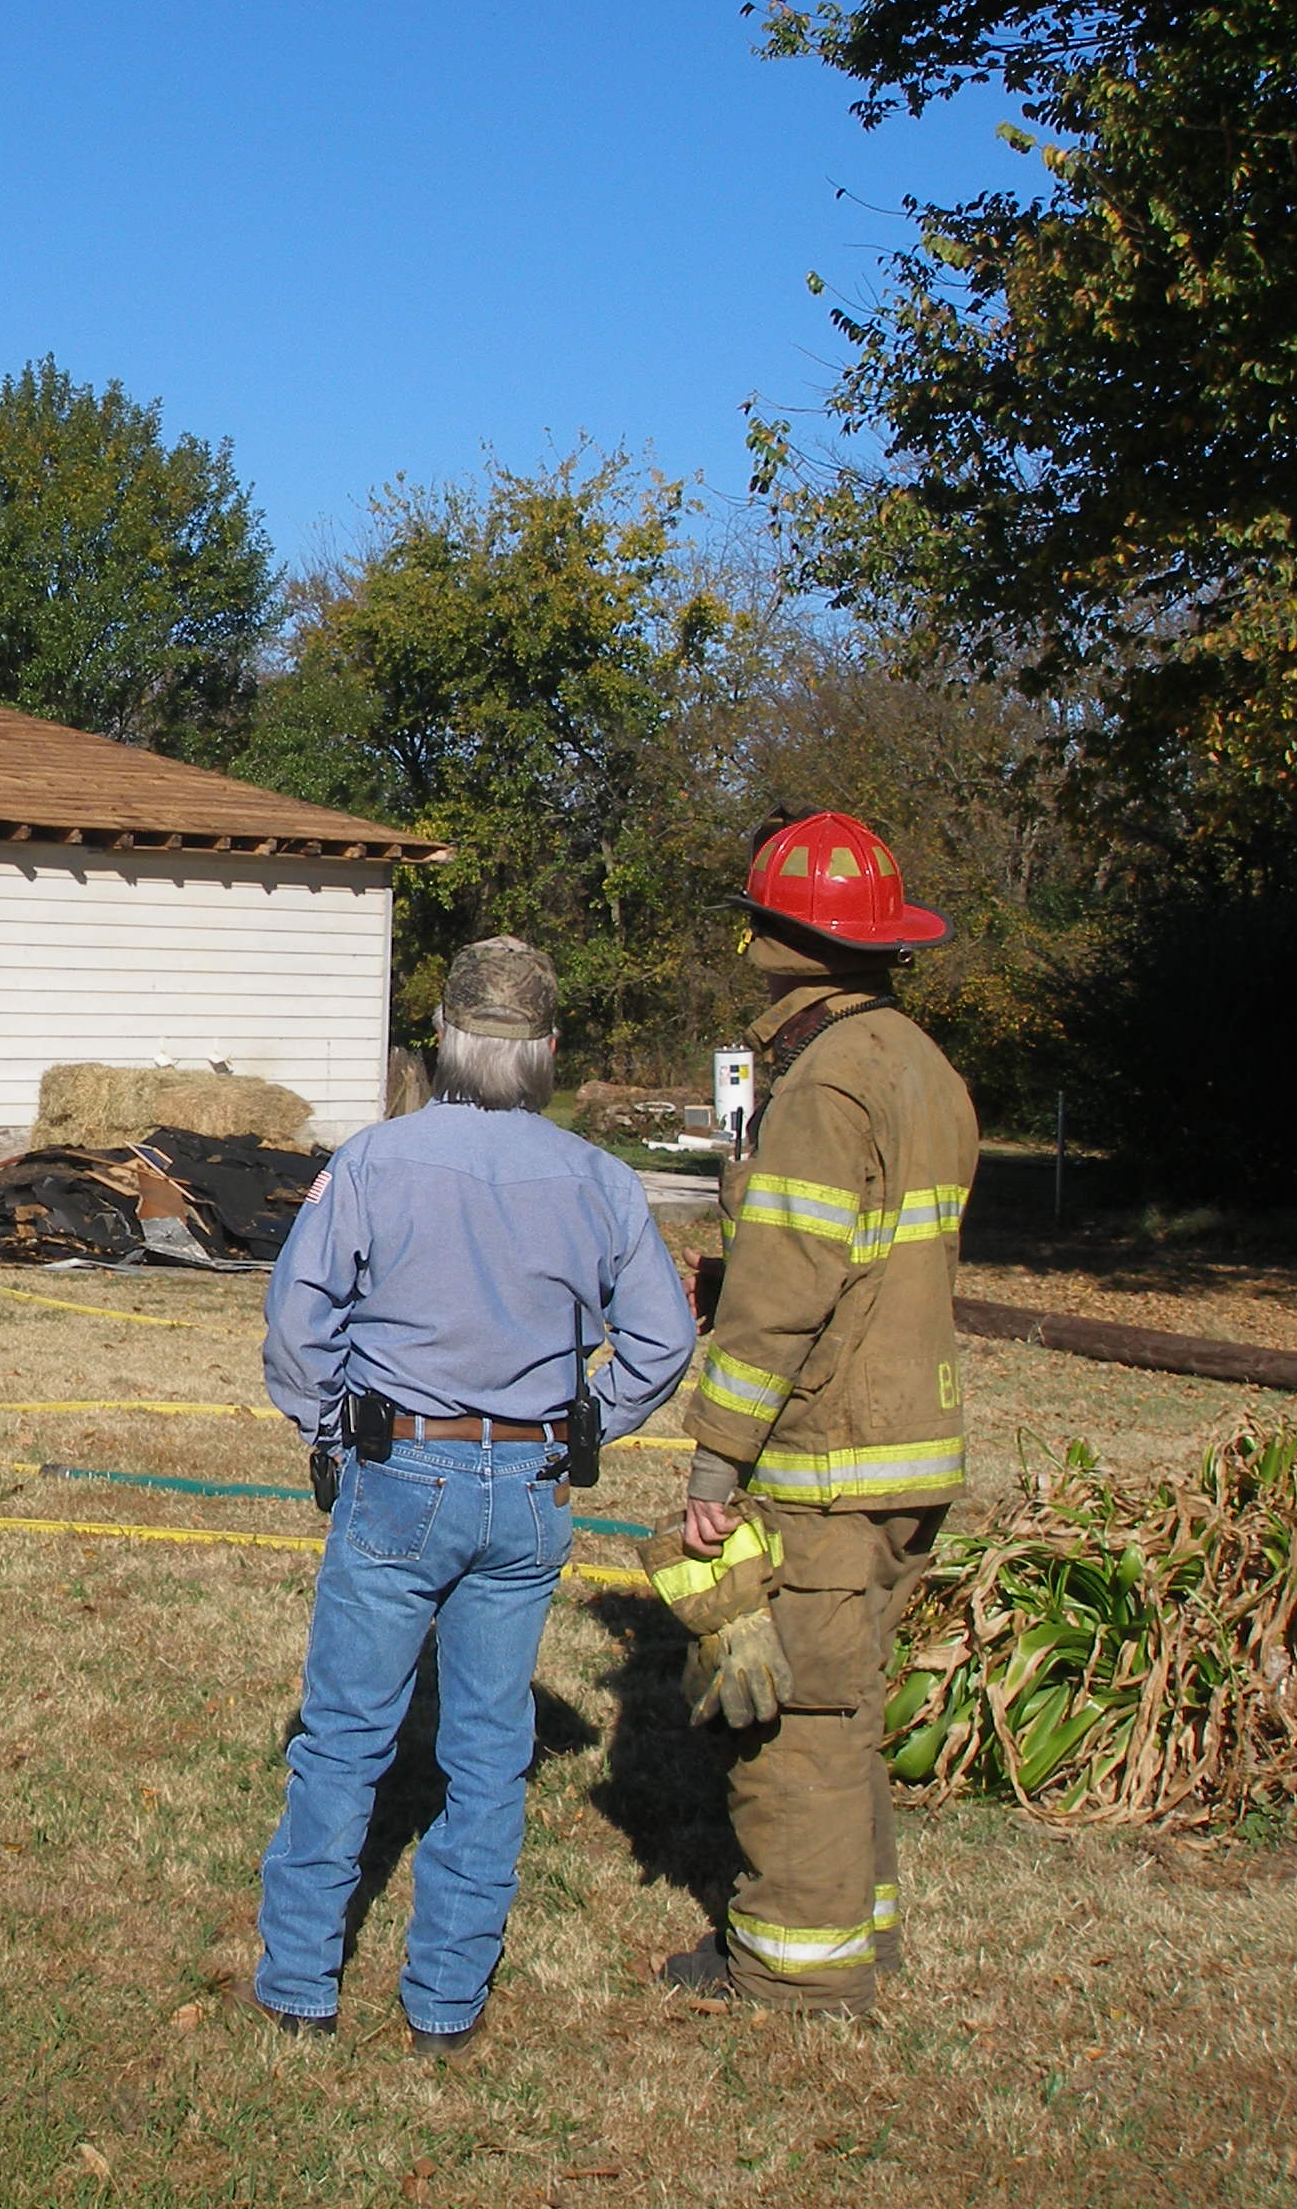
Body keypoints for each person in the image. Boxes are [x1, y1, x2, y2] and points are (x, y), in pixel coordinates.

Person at [248, 936, 694, 2057]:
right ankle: (445, 2003)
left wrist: (328, 1431)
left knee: (345, 1736)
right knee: (490, 1751)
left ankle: (300, 1985)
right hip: (530, 1487)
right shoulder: (599, 1180)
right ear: (548, 1049)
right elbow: (663, 1340)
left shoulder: (374, 1161)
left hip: (399, 1469)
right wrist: (589, 1422)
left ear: (443, 1039)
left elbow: (299, 1323)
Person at [658, 810, 977, 2015]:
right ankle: (860, 1931)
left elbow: (788, 1293)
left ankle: (795, 1968)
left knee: (796, 1714)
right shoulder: (920, 1063)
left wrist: (714, 1467)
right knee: (847, 1708)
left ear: (775, 941)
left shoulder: (827, 1081)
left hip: (829, 1455)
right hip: (907, 1444)